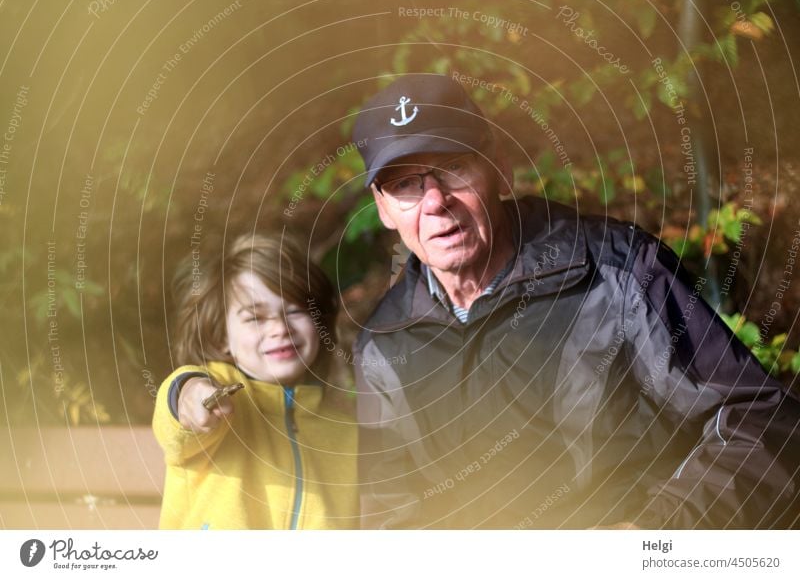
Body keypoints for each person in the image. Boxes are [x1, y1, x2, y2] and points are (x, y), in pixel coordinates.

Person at [350, 73, 800, 529]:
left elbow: (763, 422)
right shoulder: (382, 348)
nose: (434, 202)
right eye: (405, 184)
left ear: (499, 166)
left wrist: (653, 535)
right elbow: (392, 521)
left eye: (453, 168)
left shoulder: (618, 275)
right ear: (383, 207)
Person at [152, 232, 358, 529]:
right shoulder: (219, 393)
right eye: (254, 318)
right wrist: (192, 395)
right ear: (222, 336)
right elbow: (180, 400)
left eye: (295, 311)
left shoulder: (346, 432)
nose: (279, 328)